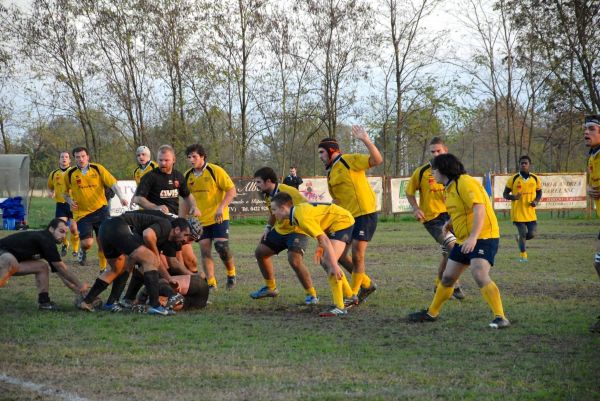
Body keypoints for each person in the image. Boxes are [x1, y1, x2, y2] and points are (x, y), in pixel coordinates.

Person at [408, 153, 510, 329]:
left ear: (444, 169)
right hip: (465, 239)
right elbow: (462, 211)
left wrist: (473, 238)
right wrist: (450, 223)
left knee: (479, 273)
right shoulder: (449, 188)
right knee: (448, 278)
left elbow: (479, 209)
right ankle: (431, 313)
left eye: (435, 170)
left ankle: (501, 317)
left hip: (484, 236)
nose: (432, 173)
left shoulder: (465, 182)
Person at [77, 211, 196, 315]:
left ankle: (91, 302)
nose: (186, 240)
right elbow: (147, 234)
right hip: (118, 226)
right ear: (176, 230)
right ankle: (155, 306)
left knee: (117, 269)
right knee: (149, 259)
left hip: (105, 228)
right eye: (186, 235)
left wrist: (169, 279)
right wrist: (154, 255)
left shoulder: (164, 239)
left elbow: (157, 262)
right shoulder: (166, 225)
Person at [317, 125, 382, 306]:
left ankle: (353, 294)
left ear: (331, 151)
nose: (320, 156)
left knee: (358, 255)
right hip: (347, 218)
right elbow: (337, 200)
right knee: (336, 257)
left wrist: (365, 140)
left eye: (322, 152)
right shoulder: (330, 173)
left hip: (364, 213)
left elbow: (377, 160)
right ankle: (367, 284)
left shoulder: (348, 160)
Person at [271, 192, 355, 317]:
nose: (273, 213)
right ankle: (350, 297)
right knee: (325, 260)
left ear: (283, 208)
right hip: (338, 221)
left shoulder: (301, 217)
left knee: (329, 263)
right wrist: (321, 248)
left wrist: (334, 264)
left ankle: (340, 307)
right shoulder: (297, 214)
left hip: (342, 221)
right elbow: (322, 222)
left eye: (274, 209)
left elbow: (324, 239)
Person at [406, 137, 464, 300]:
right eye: (432, 151)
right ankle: (452, 285)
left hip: (452, 215)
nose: (435, 154)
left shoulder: (454, 170)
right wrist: (416, 208)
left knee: (448, 253)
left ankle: (441, 285)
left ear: (446, 150)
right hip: (432, 218)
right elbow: (409, 192)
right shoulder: (423, 171)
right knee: (453, 247)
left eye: (439, 151)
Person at [250, 167, 319, 305]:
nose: (256, 186)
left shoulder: (288, 191)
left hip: (297, 229)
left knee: (294, 260)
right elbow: (273, 213)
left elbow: (307, 206)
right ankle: (270, 288)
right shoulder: (267, 194)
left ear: (268, 181)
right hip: (281, 230)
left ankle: (312, 295)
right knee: (260, 252)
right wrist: (268, 228)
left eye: (258, 182)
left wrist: (308, 226)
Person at [132, 144, 200, 273]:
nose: (163, 163)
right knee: (167, 266)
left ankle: (193, 287)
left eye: (166, 160)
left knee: (190, 260)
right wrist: (156, 207)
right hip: (159, 227)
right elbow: (138, 199)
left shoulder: (178, 176)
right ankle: (171, 288)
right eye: (160, 160)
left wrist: (193, 206)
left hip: (176, 226)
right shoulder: (150, 177)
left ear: (174, 159)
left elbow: (187, 195)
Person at [63, 146, 129, 269]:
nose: (81, 159)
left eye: (83, 156)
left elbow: (113, 184)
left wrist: (121, 197)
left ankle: (102, 269)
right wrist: (69, 201)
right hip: (82, 214)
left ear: (88, 157)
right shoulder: (70, 173)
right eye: (78, 157)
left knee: (102, 243)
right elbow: (65, 193)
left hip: (101, 210)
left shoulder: (98, 169)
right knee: (87, 243)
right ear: (74, 159)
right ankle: (83, 250)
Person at [0, 218, 88, 310]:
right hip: (4, 255)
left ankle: (44, 302)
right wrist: (81, 286)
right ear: (51, 229)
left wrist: (79, 291)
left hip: (11, 262)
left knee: (42, 267)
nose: (63, 236)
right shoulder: (46, 239)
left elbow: (61, 273)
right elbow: (62, 268)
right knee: (10, 261)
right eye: (61, 231)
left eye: (65, 233)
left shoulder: (47, 244)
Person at [184, 144, 237, 290]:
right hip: (200, 220)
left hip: (219, 217)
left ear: (202, 156)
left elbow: (232, 190)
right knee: (204, 250)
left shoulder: (215, 171)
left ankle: (231, 274)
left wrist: (221, 207)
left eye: (194, 156)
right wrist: (182, 218)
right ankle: (211, 283)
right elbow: (185, 198)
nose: (191, 159)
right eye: (189, 157)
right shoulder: (187, 175)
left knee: (221, 247)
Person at [503, 155, 542, 262]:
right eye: (522, 163)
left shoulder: (535, 178)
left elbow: (539, 192)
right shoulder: (514, 178)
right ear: (519, 165)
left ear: (529, 165)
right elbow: (505, 194)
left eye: (526, 163)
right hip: (517, 213)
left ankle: (520, 238)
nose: (524, 165)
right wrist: (513, 197)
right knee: (523, 233)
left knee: (532, 234)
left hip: (530, 212)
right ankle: (523, 255)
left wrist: (536, 201)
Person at [584, 114, 600, 333]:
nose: (586, 133)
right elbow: (592, 186)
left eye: (592, 129)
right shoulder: (592, 157)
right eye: (585, 130)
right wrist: (589, 191)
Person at [47, 151, 80, 258]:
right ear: (59, 160)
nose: (64, 159)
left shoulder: (75, 172)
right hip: (61, 204)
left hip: (73, 204)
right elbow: (50, 187)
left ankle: (75, 249)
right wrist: (51, 192)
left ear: (70, 160)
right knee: (61, 227)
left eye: (66, 157)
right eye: (62, 157)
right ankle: (65, 243)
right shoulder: (53, 174)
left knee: (73, 229)